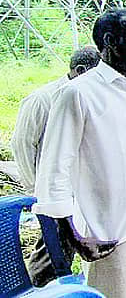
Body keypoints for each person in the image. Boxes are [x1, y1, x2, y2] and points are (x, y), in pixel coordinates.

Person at [34, 8, 126, 297]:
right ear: (110, 40)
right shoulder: (79, 93)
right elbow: (54, 170)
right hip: (111, 232)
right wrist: (74, 236)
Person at [11, 46, 100, 287]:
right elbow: (22, 145)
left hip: (82, 190)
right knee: (52, 251)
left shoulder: (92, 97)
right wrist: (37, 190)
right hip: (54, 191)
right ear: (81, 71)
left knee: (70, 247)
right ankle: (38, 288)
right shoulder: (43, 98)